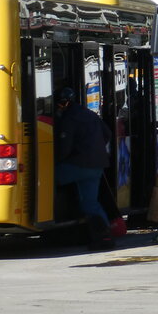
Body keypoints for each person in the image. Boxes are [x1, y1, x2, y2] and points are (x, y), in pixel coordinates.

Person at [54, 87, 114, 250]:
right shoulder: (89, 114)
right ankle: (105, 235)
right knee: (90, 203)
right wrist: (95, 149)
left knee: (46, 179)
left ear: (63, 103)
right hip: (97, 166)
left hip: (78, 165)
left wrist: (55, 161)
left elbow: (64, 148)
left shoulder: (68, 118)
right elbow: (107, 133)